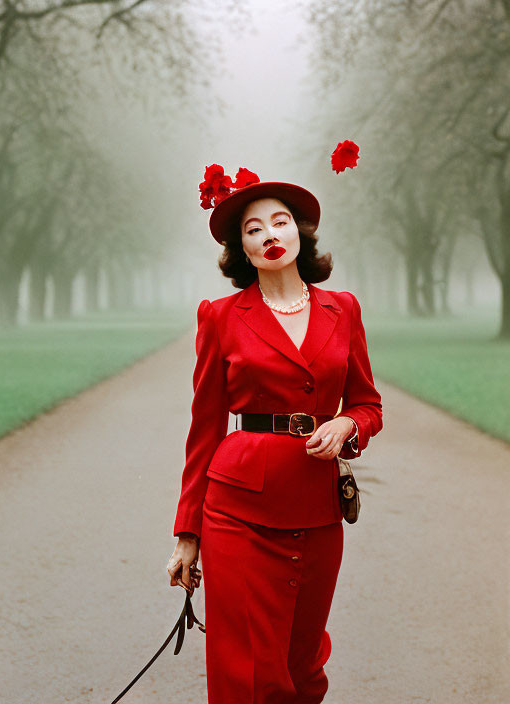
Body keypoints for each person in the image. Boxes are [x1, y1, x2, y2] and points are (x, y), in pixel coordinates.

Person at [165, 176, 383, 703]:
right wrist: (187, 533)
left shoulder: (344, 308)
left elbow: (367, 405)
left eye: (279, 221)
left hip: (317, 507)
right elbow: (204, 430)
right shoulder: (219, 317)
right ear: (241, 248)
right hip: (237, 509)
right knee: (247, 668)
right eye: (252, 228)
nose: (269, 235)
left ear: (300, 233)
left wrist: (345, 425)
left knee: (302, 664)